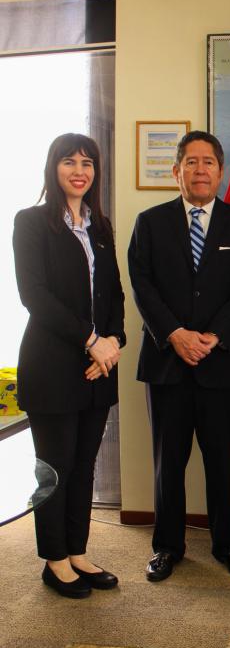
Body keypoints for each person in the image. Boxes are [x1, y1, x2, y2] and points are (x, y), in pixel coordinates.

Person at [128, 130, 230, 582]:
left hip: (221, 364)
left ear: (221, 172)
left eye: (208, 162)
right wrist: (175, 334)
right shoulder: (150, 223)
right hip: (168, 363)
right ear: (177, 171)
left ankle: (228, 544)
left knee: (221, 462)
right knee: (169, 463)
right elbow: (142, 286)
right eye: (191, 162)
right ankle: (167, 546)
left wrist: (212, 336)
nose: (200, 169)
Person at [13, 133, 125, 599]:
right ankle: (54, 560)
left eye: (87, 162)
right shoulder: (32, 222)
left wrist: (114, 343)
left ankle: (78, 552)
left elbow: (113, 293)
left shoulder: (100, 226)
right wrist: (92, 341)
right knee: (54, 469)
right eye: (69, 161)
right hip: (53, 366)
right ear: (52, 168)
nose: (79, 170)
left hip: (98, 369)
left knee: (83, 465)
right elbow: (35, 297)